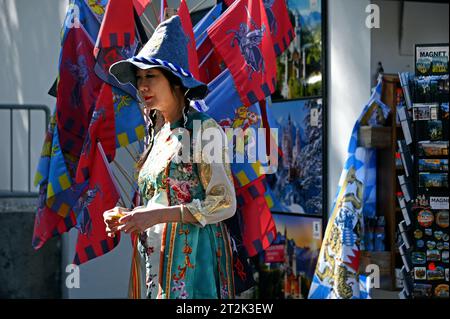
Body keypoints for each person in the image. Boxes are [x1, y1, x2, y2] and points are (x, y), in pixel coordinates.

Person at [103, 16, 237, 299]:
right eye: (138, 79)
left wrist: (156, 215)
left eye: (150, 76)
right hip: (153, 260)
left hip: (192, 262)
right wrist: (127, 217)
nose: (142, 86)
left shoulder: (204, 129)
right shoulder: (157, 134)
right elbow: (158, 200)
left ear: (175, 81)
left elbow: (224, 202)